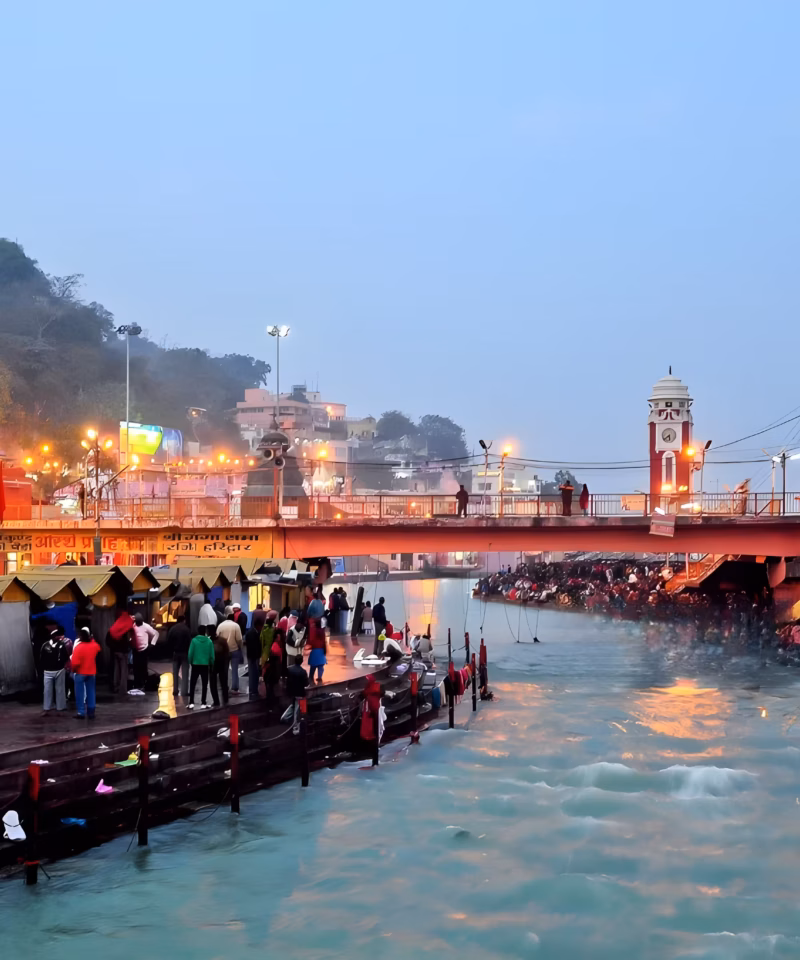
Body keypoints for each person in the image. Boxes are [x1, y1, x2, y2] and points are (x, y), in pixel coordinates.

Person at [70, 630, 101, 720]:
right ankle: (91, 712)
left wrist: (73, 670)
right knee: (91, 692)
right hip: (91, 672)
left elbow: (75, 663)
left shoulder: (78, 647)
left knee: (80, 694)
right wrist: (92, 639)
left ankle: (81, 712)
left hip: (80, 673)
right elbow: (98, 648)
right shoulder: (94, 646)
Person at [40, 628, 70, 715]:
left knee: (60, 689)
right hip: (47, 671)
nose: (57, 637)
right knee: (47, 690)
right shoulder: (45, 646)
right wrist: (43, 668)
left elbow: (65, 657)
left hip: (59, 670)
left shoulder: (61, 645)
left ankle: (60, 708)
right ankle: (47, 708)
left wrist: (61, 665)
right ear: (52, 636)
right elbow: (41, 659)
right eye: (56, 636)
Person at [187, 625, 215, 709]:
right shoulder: (209, 641)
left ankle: (191, 702)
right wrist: (211, 663)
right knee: (204, 684)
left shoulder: (194, 641)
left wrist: (190, 662)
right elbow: (212, 656)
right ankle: (203, 702)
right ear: (205, 632)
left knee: (193, 684)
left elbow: (190, 653)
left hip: (195, 665)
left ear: (198, 631)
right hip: (205, 665)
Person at [130, 614, 158, 693]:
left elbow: (156, 634)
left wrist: (152, 644)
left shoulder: (146, 626)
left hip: (144, 649)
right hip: (135, 649)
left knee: (143, 667)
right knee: (136, 668)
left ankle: (143, 684)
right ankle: (137, 684)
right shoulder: (133, 625)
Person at [217, 613, 243, 694]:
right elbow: (239, 639)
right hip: (234, 650)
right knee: (234, 670)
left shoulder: (220, 626)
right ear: (233, 619)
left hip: (223, 651)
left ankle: (225, 686)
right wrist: (240, 648)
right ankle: (234, 688)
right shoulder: (236, 626)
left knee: (224, 670)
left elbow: (217, 637)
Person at [168, 615, 192, 698]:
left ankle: (175, 690)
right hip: (185, 653)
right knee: (185, 673)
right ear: (183, 620)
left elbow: (169, 641)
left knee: (175, 672)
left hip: (175, 653)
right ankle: (184, 691)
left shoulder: (172, 629)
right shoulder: (186, 629)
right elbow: (189, 641)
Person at [286, 655, 309, 733]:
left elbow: (287, 681)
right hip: (300, 694)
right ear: (301, 662)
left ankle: (285, 718)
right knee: (299, 711)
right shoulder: (303, 672)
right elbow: (306, 684)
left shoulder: (289, 669)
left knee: (293, 707)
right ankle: (296, 727)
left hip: (291, 692)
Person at [210, 626, 230, 707]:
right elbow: (227, 653)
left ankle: (217, 701)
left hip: (214, 664)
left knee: (214, 683)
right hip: (220, 664)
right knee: (223, 682)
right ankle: (224, 699)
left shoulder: (209, 641)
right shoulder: (222, 640)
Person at [244, 623, 262, 701]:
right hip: (255, 656)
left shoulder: (248, 633)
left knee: (251, 673)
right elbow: (258, 645)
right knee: (255, 673)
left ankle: (251, 689)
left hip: (249, 655)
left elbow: (245, 643)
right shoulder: (256, 634)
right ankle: (254, 689)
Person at [307, 617, 328, 684]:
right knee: (320, 666)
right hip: (321, 650)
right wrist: (325, 650)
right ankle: (319, 677)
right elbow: (324, 641)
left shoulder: (313, 631)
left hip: (314, 649)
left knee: (313, 665)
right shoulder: (322, 631)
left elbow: (311, 640)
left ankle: (311, 676)